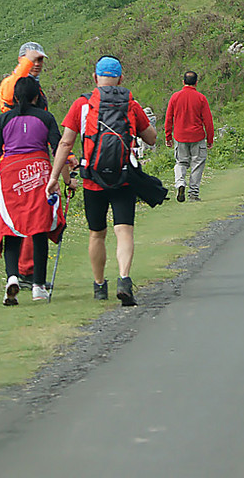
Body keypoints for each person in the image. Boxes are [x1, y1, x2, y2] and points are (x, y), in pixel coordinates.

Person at [48, 56, 157, 305]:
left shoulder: (83, 104)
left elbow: (65, 143)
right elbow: (151, 138)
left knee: (96, 234)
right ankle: (124, 279)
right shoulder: (131, 103)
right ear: (121, 78)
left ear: (95, 78)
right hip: (123, 178)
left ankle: (99, 286)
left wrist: (55, 178)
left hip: (92, 180)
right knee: (124, 230)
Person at [0, 75, 68, 304]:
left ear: (14, 97)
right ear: (37, 96)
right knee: (39, 227)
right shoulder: (46, 117)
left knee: (11, 225)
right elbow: (59, 149)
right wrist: (67, 179)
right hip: (39, 172)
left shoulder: (3, 119)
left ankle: (12, 276)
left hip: (11, 174)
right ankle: (38, 286)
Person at [164, 70, 215, 202]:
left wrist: (168, 136)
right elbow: (208, 120)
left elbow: (169, 118)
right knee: (197, 163)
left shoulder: (175, 97)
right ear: (196, 83)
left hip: (180, 136)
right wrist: (210, 138)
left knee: (181, 162)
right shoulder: (201, 98)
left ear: (183, 82)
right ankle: (193, 193)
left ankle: (180, 183)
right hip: (197, 136)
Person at [0, 42, 47, 113]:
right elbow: (10, 95)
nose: (37, 64)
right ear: (20, 60)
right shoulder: (8, 83)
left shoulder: (34, 84)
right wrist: (27, 62)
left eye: (40, 59)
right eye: (32, 60)